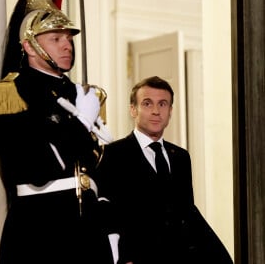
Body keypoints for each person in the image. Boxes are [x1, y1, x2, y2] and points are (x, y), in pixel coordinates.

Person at [0, 0, 114, 264]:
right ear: (29, 45)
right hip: (41, 230)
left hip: (90, 232)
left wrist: (113, 229)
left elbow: (99, 167)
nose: (67, 45)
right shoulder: (8, 94)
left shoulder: (81, 94)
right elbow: (37, 168)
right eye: (56, 38)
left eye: (68, 38)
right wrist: (81, 122)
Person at [96, 76, 234, 264]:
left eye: (162, 104)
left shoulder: (180, 157)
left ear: (170, 111)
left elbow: (188, 212)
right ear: (133, 109)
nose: (155, 111)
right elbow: (107, 216)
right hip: (138, 257)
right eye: (147, 103)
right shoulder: (111, 155)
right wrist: (124, 258)